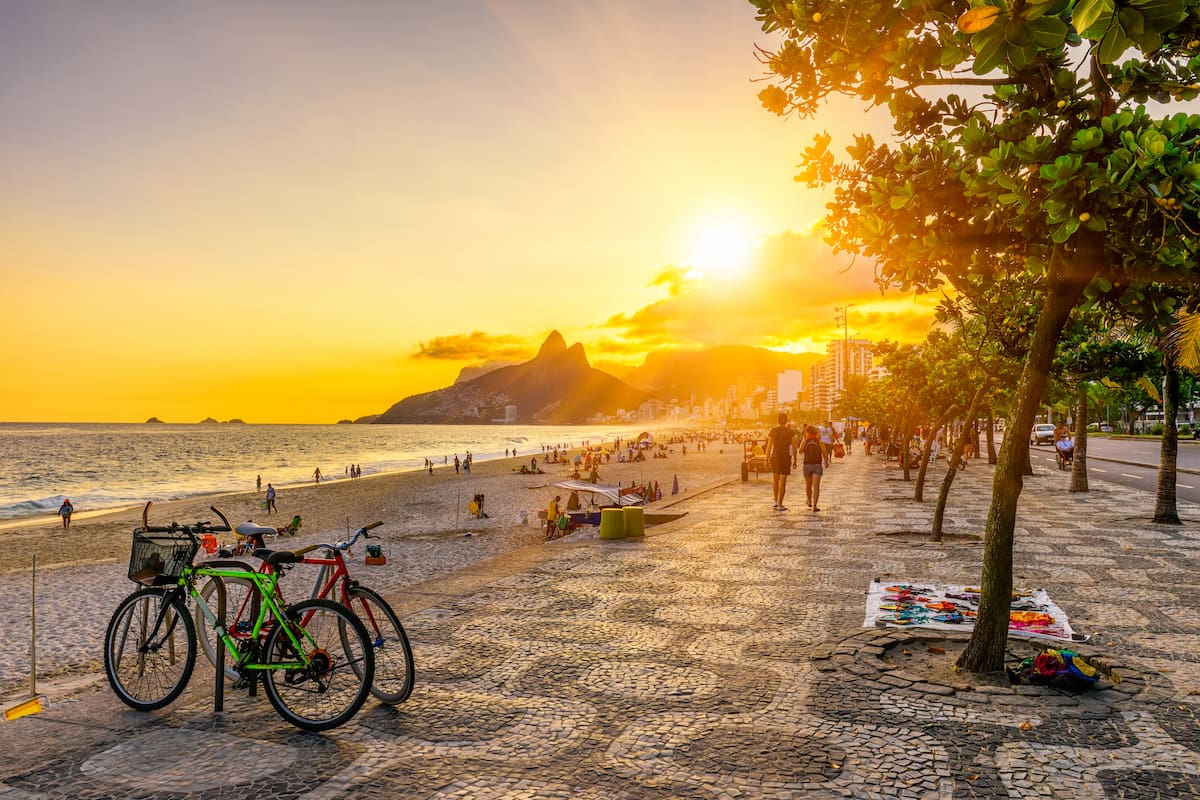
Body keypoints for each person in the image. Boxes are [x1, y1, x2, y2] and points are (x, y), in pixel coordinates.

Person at [765, 412, 797, 511]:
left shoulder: (773, 431)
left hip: (775, 457)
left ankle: (775, 501)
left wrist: (766, 459)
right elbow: (794, 448)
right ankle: (780, 504)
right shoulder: (791, 432)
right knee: (783, 482)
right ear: (786, 420)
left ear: (777, 420)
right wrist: (795, 460)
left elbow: (769, 447)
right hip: (785, 458)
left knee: (775, 480)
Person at [801, 426, 825, 512]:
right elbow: (824, 452)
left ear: (807, 433)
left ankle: (809, 501)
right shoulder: (819, 441)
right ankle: (814, 506)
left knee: (808, 486)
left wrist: (804, 441)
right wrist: (826, 461)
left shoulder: (805, 441)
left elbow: (800, 451)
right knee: (816, 486)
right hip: (817, 465)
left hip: (807, 465)